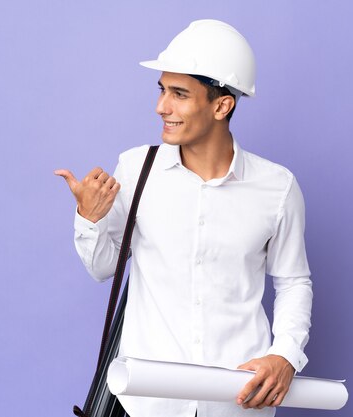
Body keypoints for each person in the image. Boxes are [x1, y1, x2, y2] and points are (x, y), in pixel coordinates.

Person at [55, 19, 313, 417]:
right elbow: (103, 268)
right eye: (162, 90)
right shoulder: (136, 168)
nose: (162, 106)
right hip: (147, 402)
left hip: (237, 400)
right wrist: (89, 218)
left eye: (179, 94)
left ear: (221, 105)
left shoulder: (277, 187)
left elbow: (293, 280)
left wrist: (285, 355)